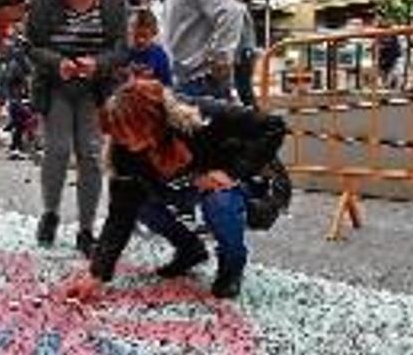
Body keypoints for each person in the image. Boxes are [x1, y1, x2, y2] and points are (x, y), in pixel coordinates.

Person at [66, 78, 285, 301]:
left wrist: (231, 172)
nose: (121, 141)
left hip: (241, 182)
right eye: (116, 135)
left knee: (220, 202)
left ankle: (231, 267)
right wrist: (97, 274)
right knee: (138, 202)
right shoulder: (125, 151)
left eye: (125, 132)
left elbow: (273, 126)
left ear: (151, 122)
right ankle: (190, 249)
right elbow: (120, 214)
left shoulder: (200, 115)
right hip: (187, 185)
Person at [27, 0, 128, 254]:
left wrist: (97, 64)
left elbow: (121, 49)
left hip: (93, 88)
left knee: (91, 154)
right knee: (56, 150)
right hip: (56, 84)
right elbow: (31, 46)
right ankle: (50, 213)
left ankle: (86, 229)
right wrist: (59, 63)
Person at [143, 0, 243, 103]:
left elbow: (230, 11)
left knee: (207, 128)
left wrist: (221, 54)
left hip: (202, 79)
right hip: (186, 79)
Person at [0, 23, 33, 159]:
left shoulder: (15, 53)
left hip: (17, 92)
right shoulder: (16, 56)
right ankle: (15, 145)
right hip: (15, 93)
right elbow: (10, 77)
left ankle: (16, 146)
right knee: (21, 119)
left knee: (21, 120)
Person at [127, 7, 172, 86]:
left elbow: (167, 85)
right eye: (136, 36)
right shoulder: (124, 54)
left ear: (153, 33)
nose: (141, 41)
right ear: (130, 33)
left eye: (145, 36)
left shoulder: (160, 56)